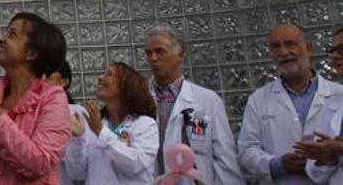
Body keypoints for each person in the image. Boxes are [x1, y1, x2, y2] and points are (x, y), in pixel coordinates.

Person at [0, 12, 71, 184]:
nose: (1, 39)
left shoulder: (53, 99)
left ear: (32, 53)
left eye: (12, 34)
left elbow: (40, 163)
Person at [238, 24, 343, 184]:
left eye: (290, 44)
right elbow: (246, 150)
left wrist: (329, 154)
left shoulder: (337, 94)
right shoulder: (259, 99)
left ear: (308, 48)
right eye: (276, 47)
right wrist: (278, 165)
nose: (284, 52)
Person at [144, 25, 244, 184]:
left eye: (160, 51)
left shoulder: (207, 101)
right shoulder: (135, 101)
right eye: (148, 53)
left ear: (180, 54)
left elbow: (225, 159)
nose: (153, 58)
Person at [66, 62, 159, 185]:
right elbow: (77, 174)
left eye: (109, 74)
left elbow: (136, 164)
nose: (100, 77)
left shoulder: (145, 124)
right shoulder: (94, 124)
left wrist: (101, 133)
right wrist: (78, 139)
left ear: (126, 86)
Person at [296, 27, 343, 183]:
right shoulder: (332, 105)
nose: (335, 56)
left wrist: (339, 149)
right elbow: (316, 175)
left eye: (341, 50)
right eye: (333, 50)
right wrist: (326, 159)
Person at [48, 60, 91, 185]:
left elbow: (79, 172)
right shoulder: (28, 111)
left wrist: (77, 138)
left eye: (48, 78)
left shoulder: (76, 113)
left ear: (64, 82)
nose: (42, 84)